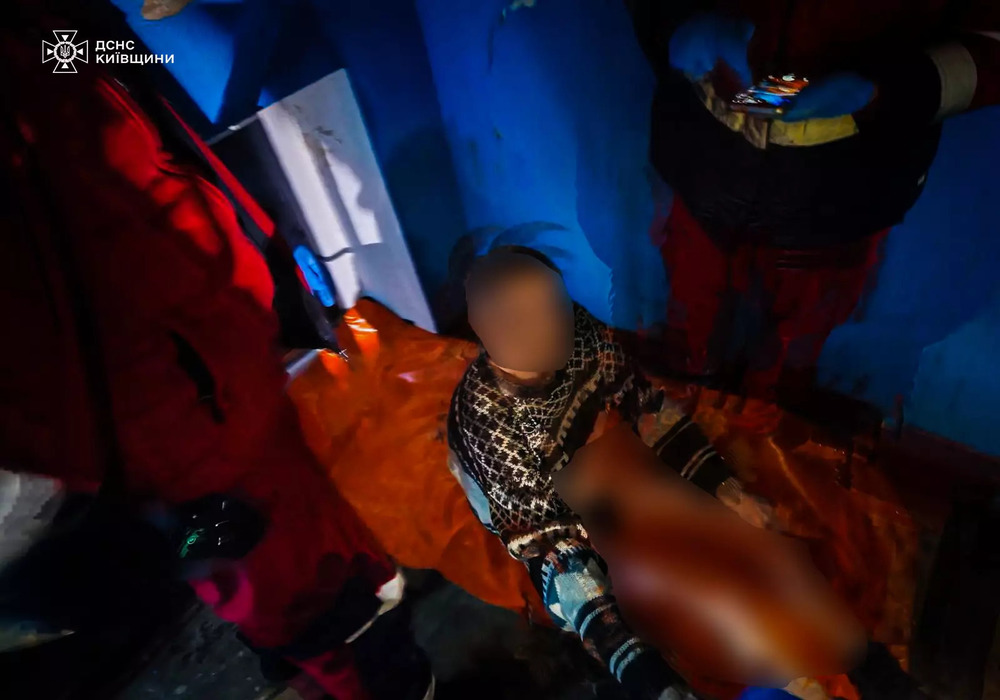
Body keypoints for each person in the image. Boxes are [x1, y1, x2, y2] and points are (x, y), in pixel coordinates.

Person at [0, 7, 430, 698]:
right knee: (284, 575)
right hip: (177, 400)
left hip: (205, 346)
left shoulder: (38, 41)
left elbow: (107, 80)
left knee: (293, 536)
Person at [623, 0, 1000, 398]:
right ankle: (695, 370)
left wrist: (890, 89)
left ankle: (772, 402)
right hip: (702, 164)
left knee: (796, 345)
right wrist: (670, 22)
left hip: (843, 198)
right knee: (691, 304)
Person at [447, 247, 773, 699]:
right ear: (493, 331)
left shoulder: (576, 330)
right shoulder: (488, 418)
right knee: (579, 582)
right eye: (531, 317)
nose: (557, 322)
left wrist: (725, 488)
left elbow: (644, 404)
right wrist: (641, 667)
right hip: (525, 498)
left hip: (578, 456)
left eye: (557, 304)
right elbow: (548, 537)